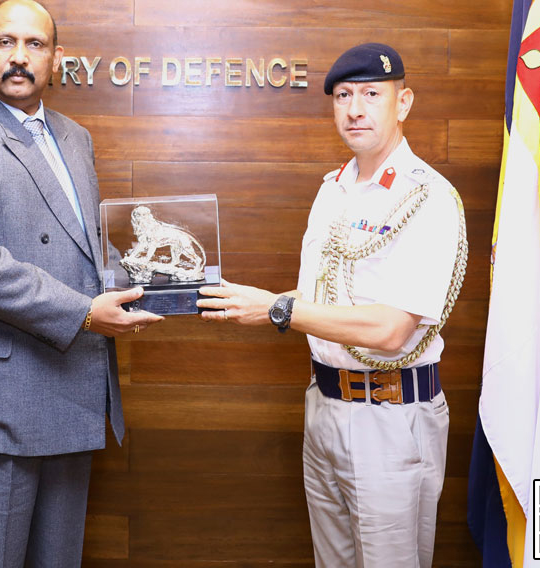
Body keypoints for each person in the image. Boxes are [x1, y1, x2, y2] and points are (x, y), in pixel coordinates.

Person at [0, 0, 162, 568]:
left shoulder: (75, 137)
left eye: (35, 44)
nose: (19, 57)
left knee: (58, 559)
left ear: (57, 58)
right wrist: (84, 312)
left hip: (73, 386)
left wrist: (162, 282)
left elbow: (86, 248)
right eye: (5, 42)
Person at [198, 42, 467, 568]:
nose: (356, 109)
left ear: (403, 102)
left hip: (391, 417)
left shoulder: (427, 197)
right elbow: (324, 292)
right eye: (343, 95)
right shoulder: (334, 189)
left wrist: (276, 311)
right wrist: (241, 299)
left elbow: (392, 329)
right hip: (325, 405)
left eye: (371, 94)